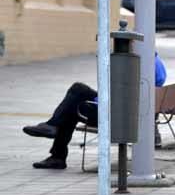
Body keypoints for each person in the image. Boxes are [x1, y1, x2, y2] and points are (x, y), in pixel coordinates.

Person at [24, 53, 167, 169]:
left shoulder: (145, 66)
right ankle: (54, 135)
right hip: (118, 110)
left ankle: (56, 149)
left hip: (117, 116)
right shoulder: (154, 62)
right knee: (77, 91)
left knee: (72, 107)